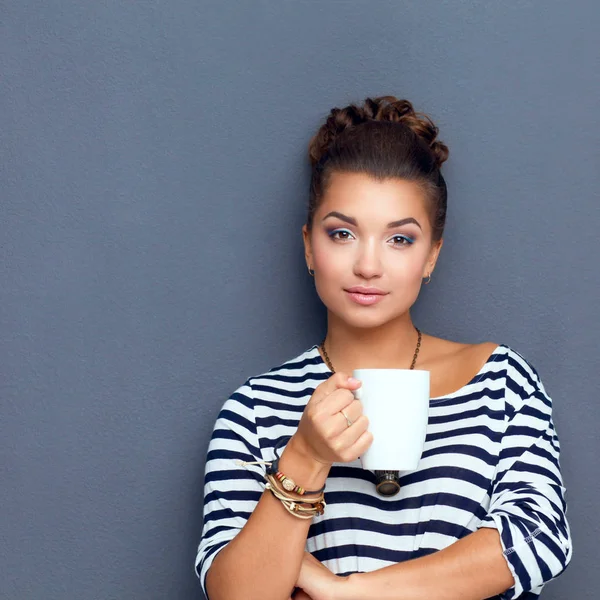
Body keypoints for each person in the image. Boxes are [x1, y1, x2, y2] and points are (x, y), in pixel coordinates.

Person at [194, 96, 573, 600]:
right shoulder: (255, 410)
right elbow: (235, 593)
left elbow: (538, 539)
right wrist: (305, 456)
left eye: (399, 240)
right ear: (310, 246)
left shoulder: (501, 382)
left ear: (432, 254)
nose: (368, 266)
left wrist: (345, 592)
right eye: (343, 233)